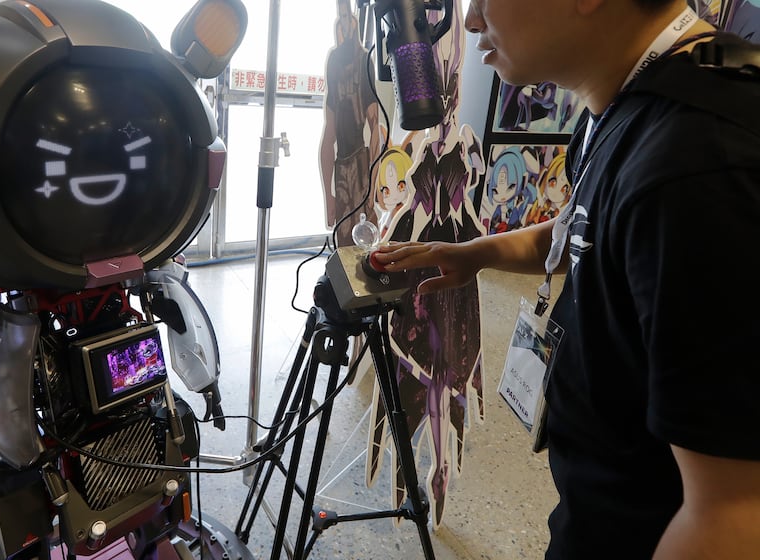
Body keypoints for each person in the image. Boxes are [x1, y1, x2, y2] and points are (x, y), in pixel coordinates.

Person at [372, 0, 760, 557]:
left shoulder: (701, 166)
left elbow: (733, 517)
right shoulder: (632, 100)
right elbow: (588, 223)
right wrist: (475, 253)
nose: (473, 19)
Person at [319, 0, 380, 247]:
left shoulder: (365, 61)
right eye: (340, 21)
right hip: (344, 166)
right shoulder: (334, 62)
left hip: (361, 164)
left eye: (347, 19)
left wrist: (374, 185)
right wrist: (328, 197)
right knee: (344, 241)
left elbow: (377, 127)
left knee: (367, 241)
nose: (344, 25)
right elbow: (328, 135)